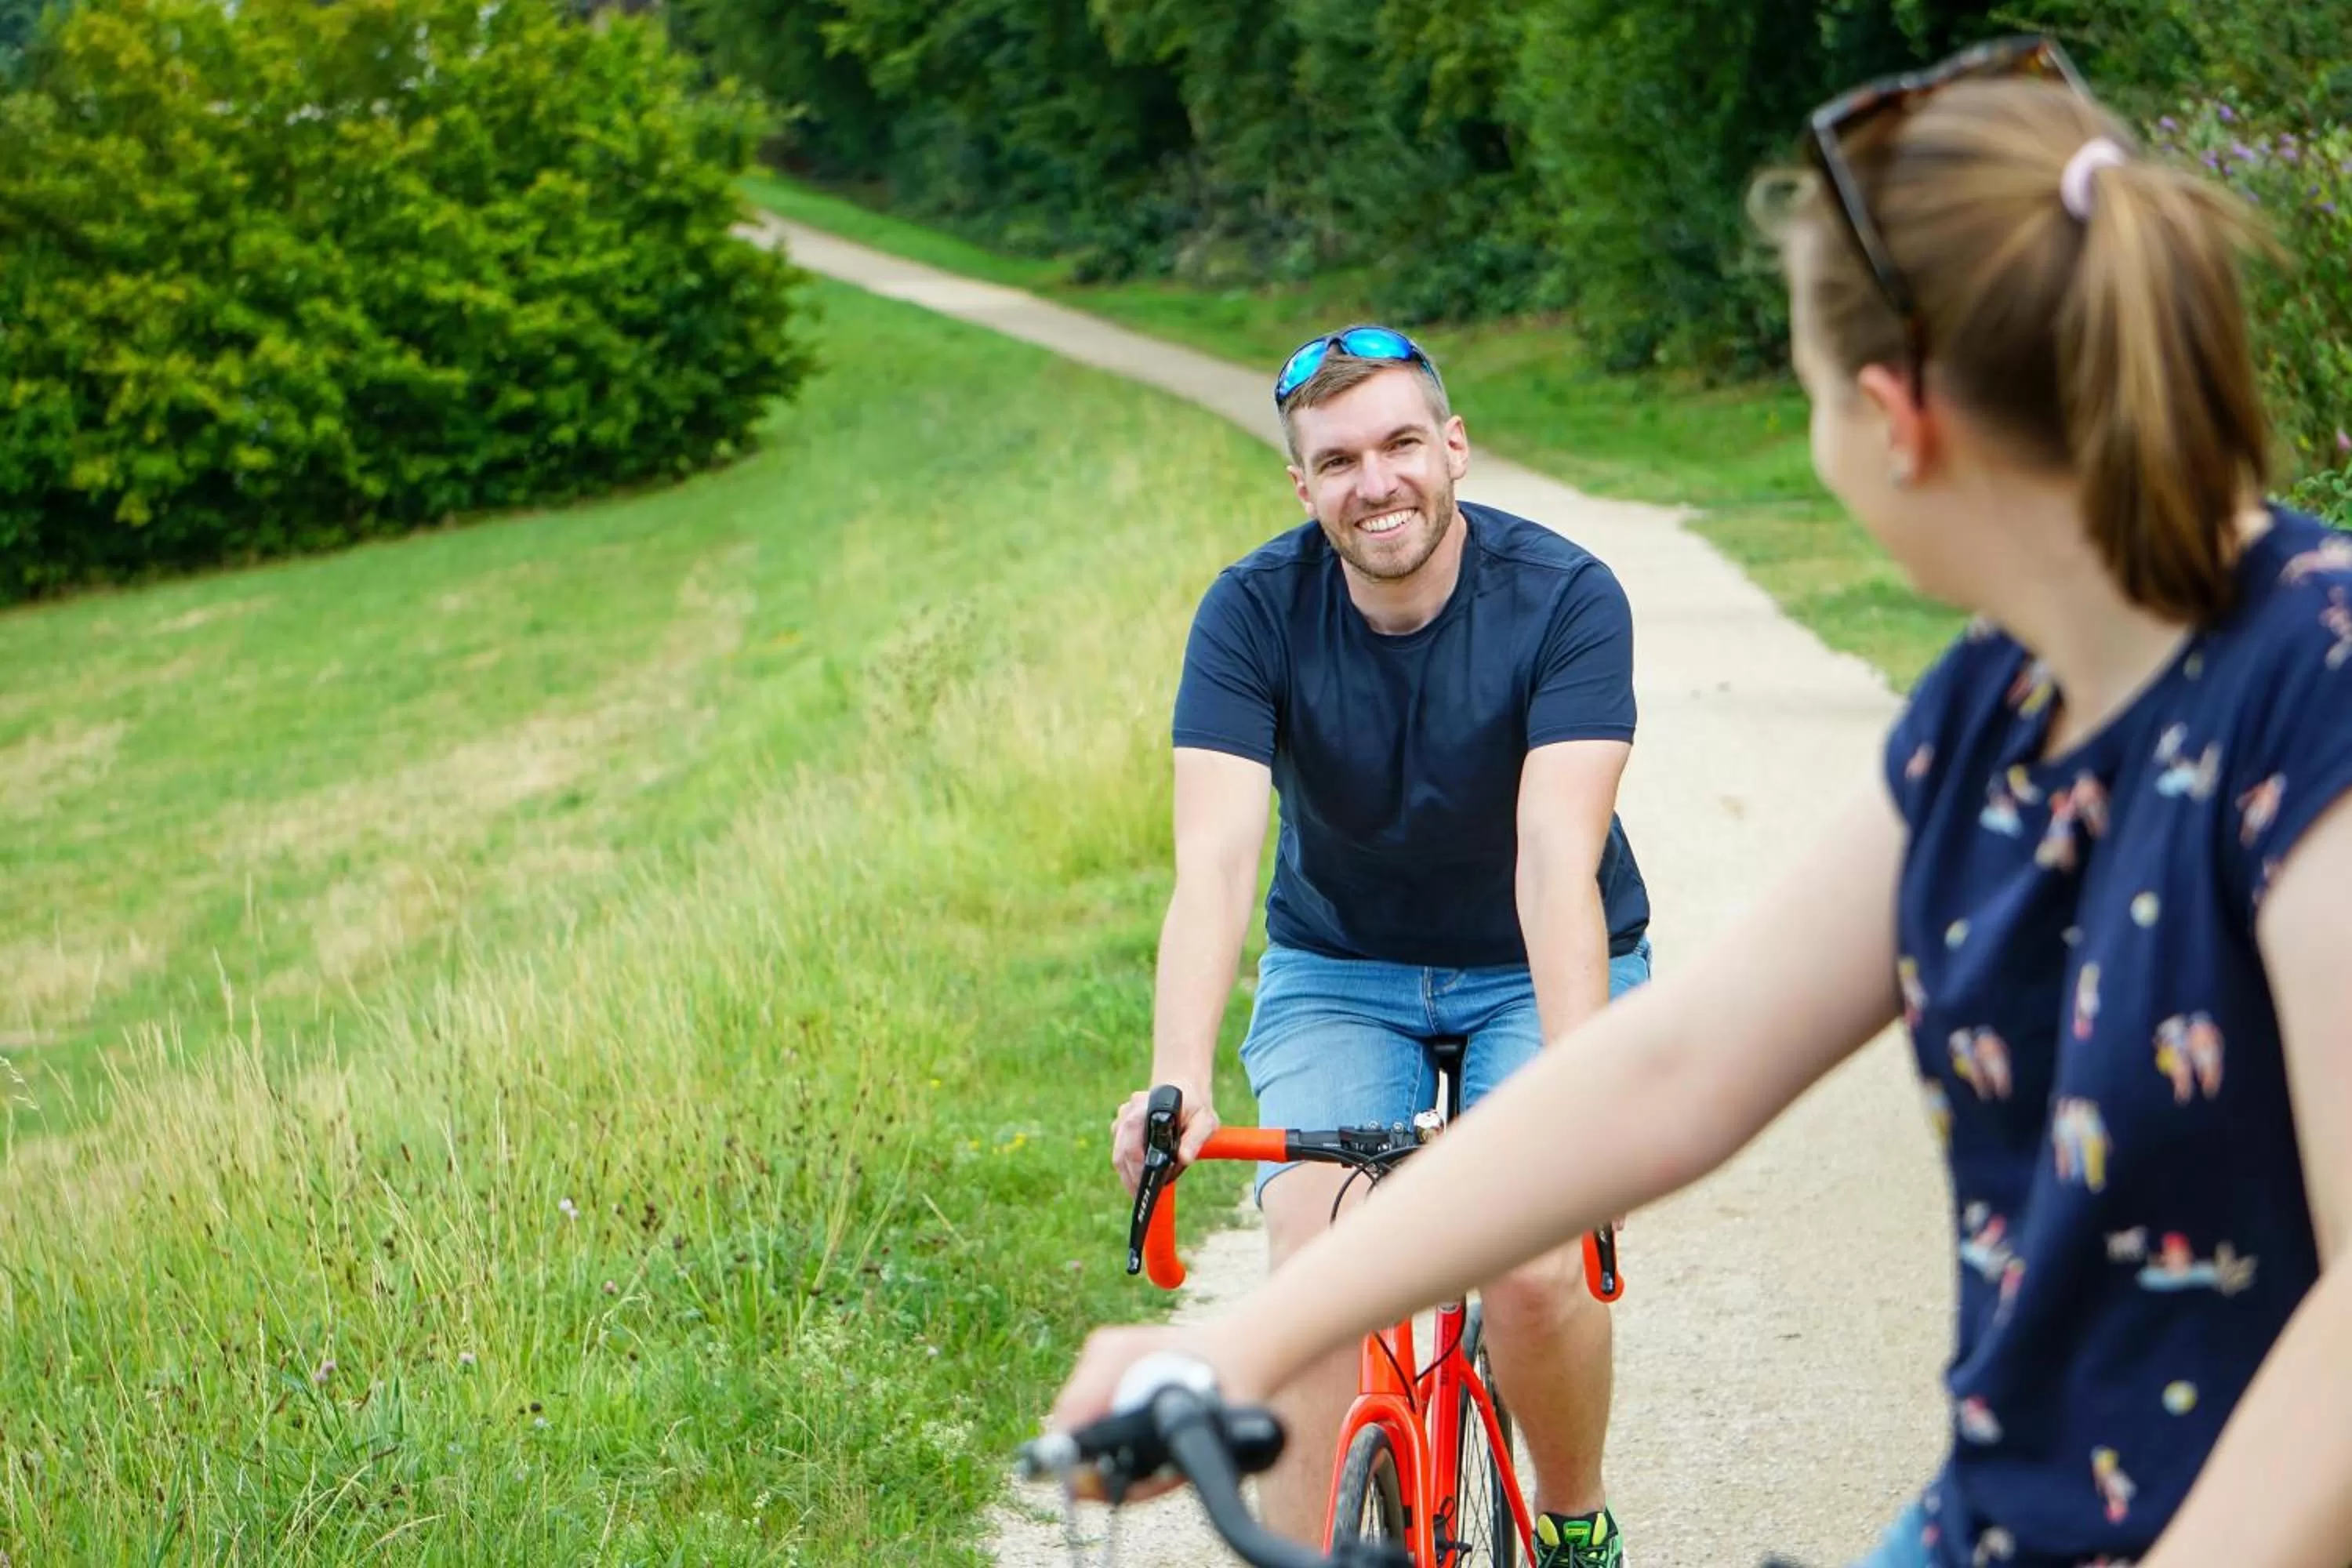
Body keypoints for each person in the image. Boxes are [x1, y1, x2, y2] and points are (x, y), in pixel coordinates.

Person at [1059, 36, 2352, 1568]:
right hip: (2008, 1514)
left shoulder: (2313, 690)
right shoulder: (1991, 711)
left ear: (1894, 418)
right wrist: (1246, 1343)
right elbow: (1676, 1065)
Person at [1105, 322, 1654, 1565]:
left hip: (1535, 964)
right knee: (1319, 1268)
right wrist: (1176, 1078)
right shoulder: (1251, 612)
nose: (1377, 481)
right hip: (1342, 971)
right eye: (1339, 460)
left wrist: (1579, 1090)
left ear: (1454, 447)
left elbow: (1555, 861)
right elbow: (1217, 862)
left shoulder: (1566, 598)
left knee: (1524, 1264)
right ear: (1304, 487)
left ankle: (1573, 1527)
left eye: (1404, 442)